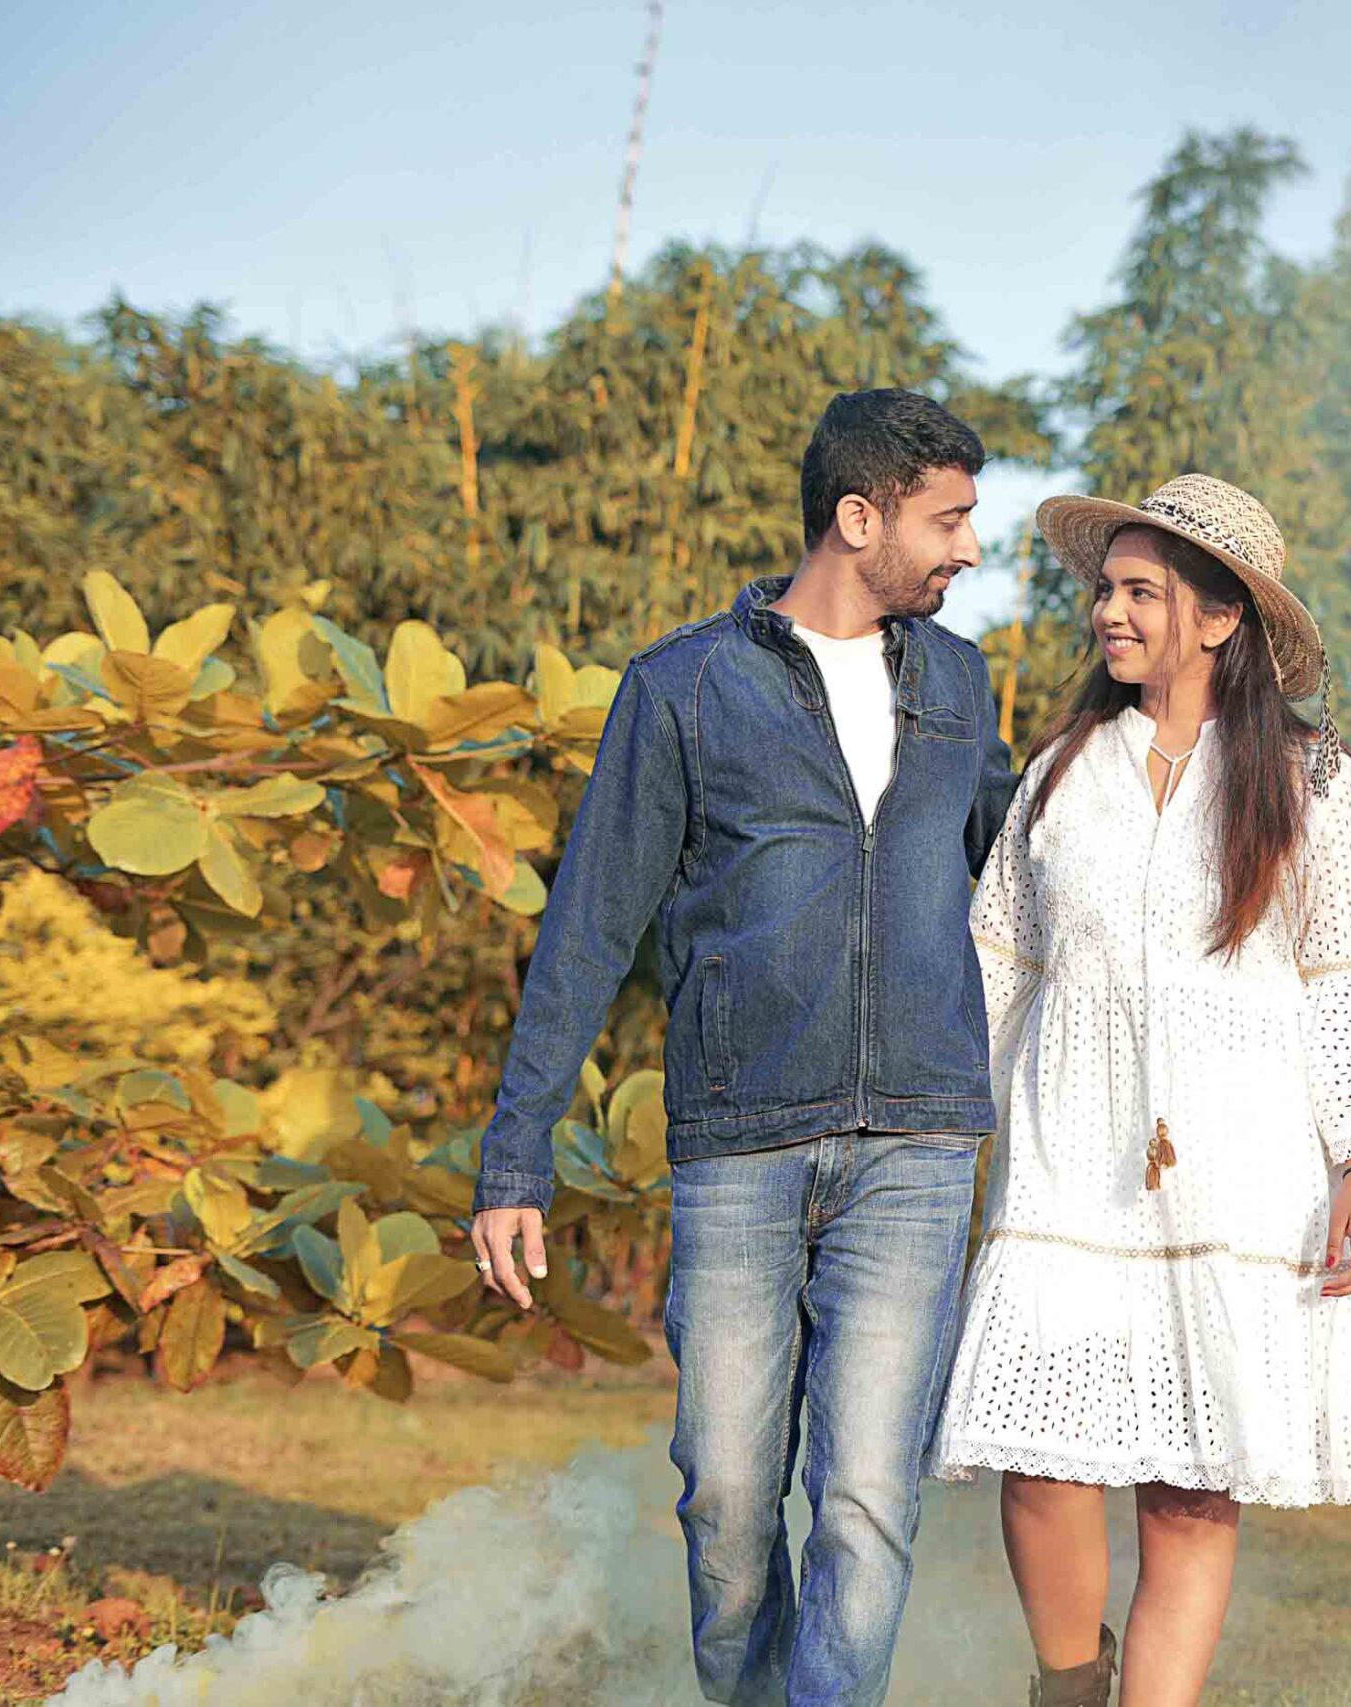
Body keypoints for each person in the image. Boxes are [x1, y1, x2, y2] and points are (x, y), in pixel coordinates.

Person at [469, 388, 1017, 1705]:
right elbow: (590, 925)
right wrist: (514, 1155)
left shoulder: (958, 680)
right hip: (740, 1140)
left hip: (918, 1141)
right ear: (858, 518)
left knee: (866, 1495)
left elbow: (1024, 868)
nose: (969, 548)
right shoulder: (684, 687)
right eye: (948, 520)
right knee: (724, 1494)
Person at [930, 474, 1351, 1706]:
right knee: (1042, 1468)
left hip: (1243, 1168)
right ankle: (1069, 1686)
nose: (1108, 612)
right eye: (1106, 589)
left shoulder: (1310, 782)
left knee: (1191, 1490)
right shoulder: (1058, 777)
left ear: (1219, 619)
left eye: (1140, 592)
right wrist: (937, 1134)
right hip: (1069, 1161)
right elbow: (994, 970)